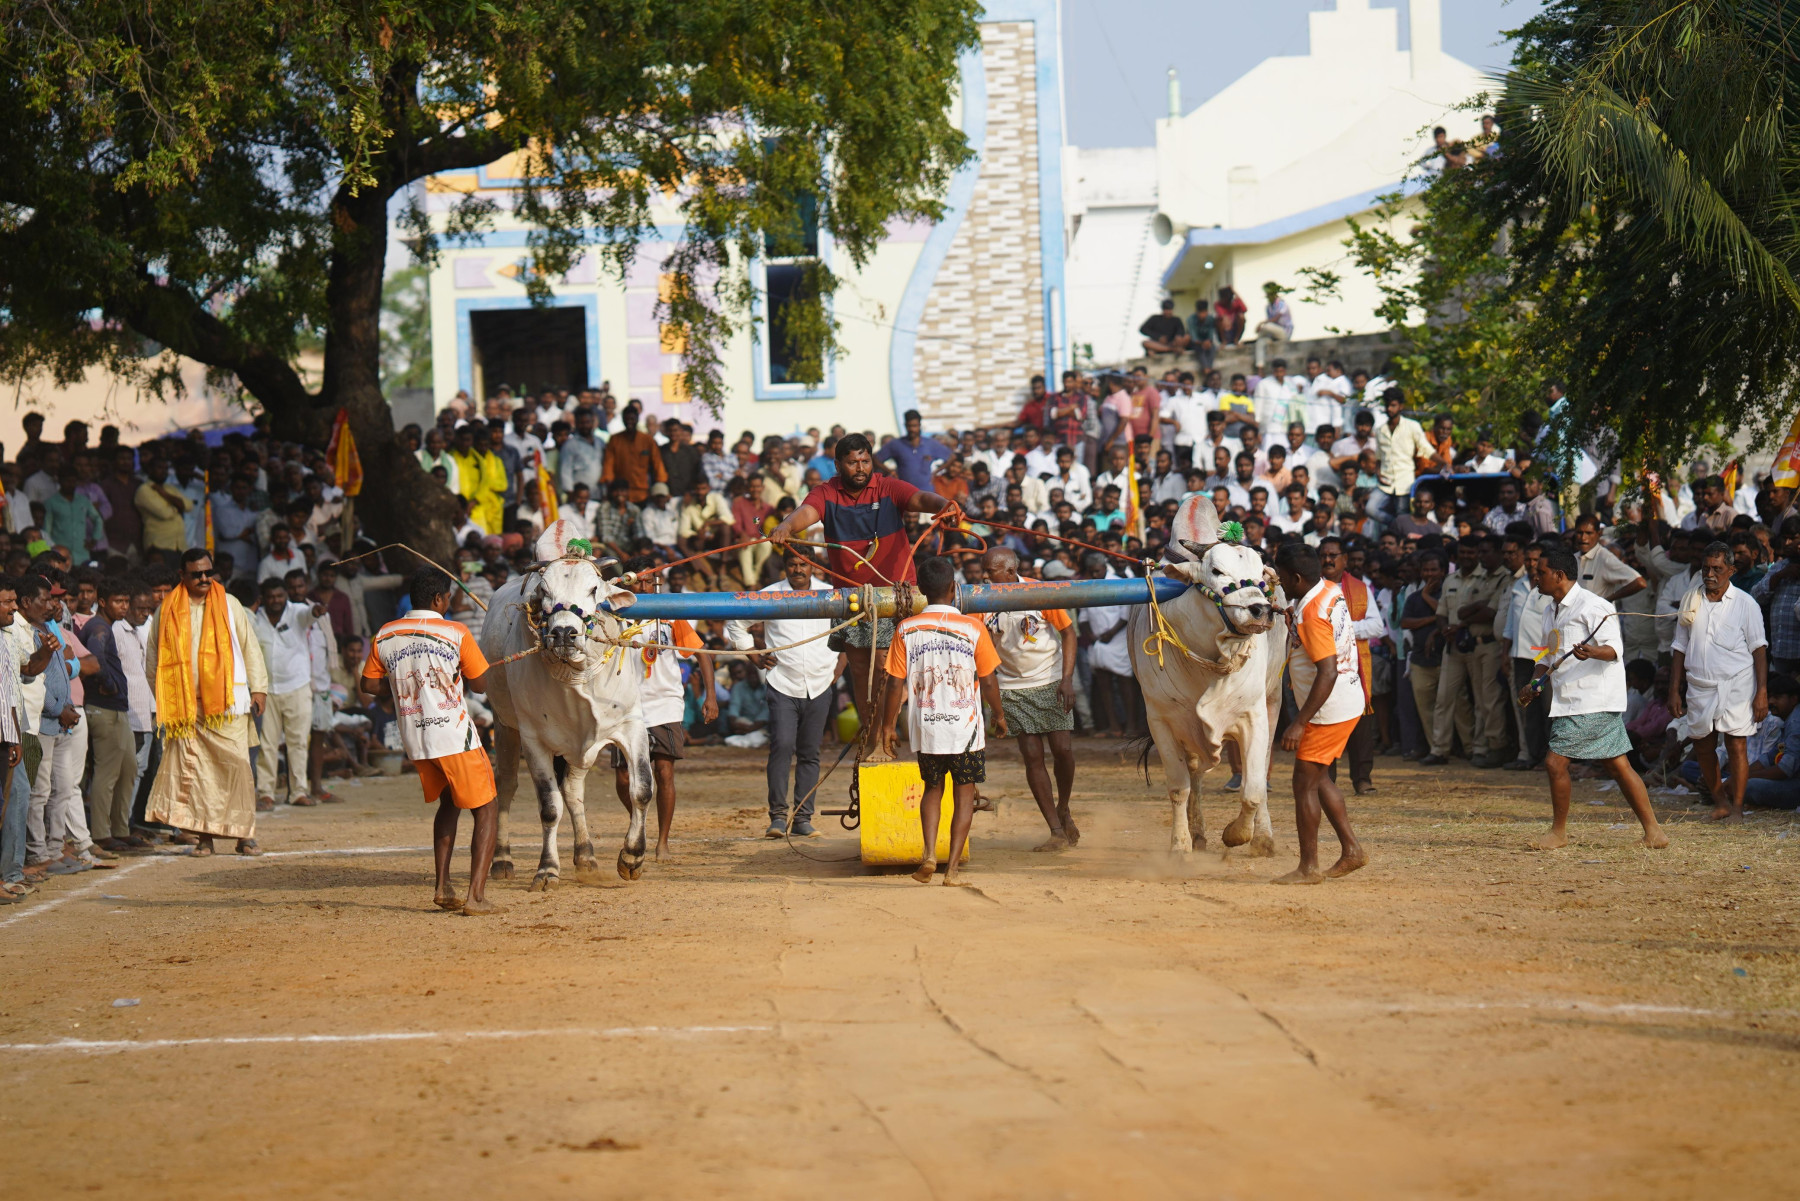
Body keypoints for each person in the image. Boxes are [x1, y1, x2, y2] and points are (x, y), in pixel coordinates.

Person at [768, 433, 955, 757]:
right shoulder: (826, 493)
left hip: (894, 595)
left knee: (883, 666)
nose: (860, 467)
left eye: (865, 461)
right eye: (853, 462)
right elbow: (805, 512)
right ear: (838, 464)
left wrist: (943, 505)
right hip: (852, 597)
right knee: (858, 670)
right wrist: (786, 526)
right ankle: (872, 736)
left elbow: (920, 498)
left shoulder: (887, 487)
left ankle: (885, 735)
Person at [360, 565, 500, 914]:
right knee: (487, 807)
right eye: (448, 597)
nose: (449, 602)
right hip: (453, 736)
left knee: (450, 802)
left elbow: (369, 685)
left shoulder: (385, 633)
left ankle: (442, 886)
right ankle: (476, 897)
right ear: (438, 599)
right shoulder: (455, 631)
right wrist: (473, 669)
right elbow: (481, 685)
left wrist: (402, 685)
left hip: (416, 737)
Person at [1522, 547, 1668, 850]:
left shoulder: (1594, 605)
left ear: (1559, 575)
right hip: (1572, 699)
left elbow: (1614, 649)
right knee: (1618, 765)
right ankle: (1654, 832)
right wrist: (1535, 682)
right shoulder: (1550, 609)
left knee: (1554, 763)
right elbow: (1546, 655)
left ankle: (1558, 833)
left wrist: (1592, 652)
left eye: (1541, 572)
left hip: (1590, 700)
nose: (1535, 577)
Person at [875, 555, 1006, 886]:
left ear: (920, 589)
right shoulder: (973, 627)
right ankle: (952, 870)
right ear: (954, 588)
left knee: (932, 789)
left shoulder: (906, 629)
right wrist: (999, 714)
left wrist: (887, 726)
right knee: (964, 797)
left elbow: (894, 683)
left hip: (928, 727)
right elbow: (989, 681)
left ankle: (930, 854)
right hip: (966, 729)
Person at [145, 549, 270, 857]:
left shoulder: (230, 604)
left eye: (207, 572)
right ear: (182, 575)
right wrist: (167, 698)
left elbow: (249, 647)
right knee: (198, 773)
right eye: (196, 574)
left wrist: (259, 689)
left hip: (228, 704)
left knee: (238, 767)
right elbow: (154, 658)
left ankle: (244, 835)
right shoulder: (167, 609)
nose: (204, 578)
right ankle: (204, 838)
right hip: (188, 709)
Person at [723, 548, 845, 838]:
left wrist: (838, 671)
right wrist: (754, 656)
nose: (797, 570)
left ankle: (803, 818)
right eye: (792, 565)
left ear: (812, 566)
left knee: (810, 753)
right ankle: (778, 817)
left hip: (820, 684)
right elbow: (734, 622)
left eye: (803, 564)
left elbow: (850, 631)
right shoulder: (770, 595)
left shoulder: (831, 595)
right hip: (782, 683)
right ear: (785, 567)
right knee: (782, 746)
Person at [1270, 541, 1367, 885]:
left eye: (1282, 577)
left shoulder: (1311, 613)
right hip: (1346, 698)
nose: (1279, 583)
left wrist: (1299, 722)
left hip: (1328, 709)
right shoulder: (1328, 589)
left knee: (1303, 784)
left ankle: (1308, 867)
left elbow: (1327, 671)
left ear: (1297, 578)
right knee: (1319, 778)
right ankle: (1351, 850)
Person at [615, 554, 716, 860]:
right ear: (626, 583)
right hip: (625, 704)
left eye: (650, 580)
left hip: (665, 702)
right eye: (638, 581)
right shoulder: (615, 614)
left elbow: (701, 654)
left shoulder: (670, 614)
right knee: (623, 777)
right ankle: (639, 821)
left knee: (664, 772)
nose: (645, 586)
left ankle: (662, 842)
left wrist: (710, 696)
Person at [980, 547, 1079, 850]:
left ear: (1010, 572)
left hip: (1050, 679)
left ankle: (1063, 807)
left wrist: (1066, 679)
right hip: (1011, 686)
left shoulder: (1039, 591)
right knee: (1032, 756)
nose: (984, 576)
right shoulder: (981, 600)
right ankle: (1055, 831)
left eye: (990, 571)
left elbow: (1069, 633)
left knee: (1063, 750)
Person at [1668, 541, 1769, 823]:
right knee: (1702, 745)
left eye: (1717, 568)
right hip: (1699, 684)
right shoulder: (1691, 600)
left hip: (1737, 684)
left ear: (1731, 570)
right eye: (1706, 568)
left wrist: (1762, 691)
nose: (1710, 574)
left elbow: (1759, 649)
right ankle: (1720, 803)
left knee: (1736, 745)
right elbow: (1679, 647)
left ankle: (1737, 808)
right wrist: (1674, 690)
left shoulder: (1746, 603)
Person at [1317, 537, 1385, 794]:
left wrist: (1342, 630)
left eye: (1333, 555)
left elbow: (1377, 626)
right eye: (1323, 555)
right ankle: (1326, 781)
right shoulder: (1311, 588)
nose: (1328, 560)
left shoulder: (1360, 588)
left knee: (1359, 723)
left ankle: (1362, 779)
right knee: (1325, 721)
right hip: (1321, 665)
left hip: (1355, 667)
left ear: (1344, 559)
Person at [251, 575, 321, 808]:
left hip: (297, 687)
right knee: (267, 744)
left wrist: (316, 611)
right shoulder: (256, 618)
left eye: (280, 596)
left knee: (298, 742)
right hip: (266, 691)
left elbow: (309, 615)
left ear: (286, 596)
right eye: (271, 596)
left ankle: (298, 792)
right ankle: (266, 793)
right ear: (263, 598)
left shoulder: (297, 611)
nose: (276, 600)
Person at [82, 578, 139, 851]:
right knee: (107, 773)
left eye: (126, 601)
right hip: (104, 709)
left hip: (116, 709)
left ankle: (120, 829)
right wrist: (108, 683)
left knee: (128, 768)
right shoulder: (99, 627)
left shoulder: (105, 626)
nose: (124, 607)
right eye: (118, 601)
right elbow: (96, 656)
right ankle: (102, 833)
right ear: (103, 602)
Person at [1741, 672, 1800, 809]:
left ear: (1793, 699)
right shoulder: (1789, 720)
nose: (1771, 702)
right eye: (1770, 697)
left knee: (1748, 786)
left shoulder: (1796, 723)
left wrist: (1744, 778)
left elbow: (1784, 770)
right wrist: (1741, 775)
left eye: (1777, 697)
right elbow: (1769, 757)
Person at [876, 410, 954, 492]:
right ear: (905, 425)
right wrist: (890, 471)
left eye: (914, 426)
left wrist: (935, 473)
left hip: (927, 492)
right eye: (909, 426)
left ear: (919, 425)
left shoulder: (930, 444)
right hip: (904, 493)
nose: (912, 429)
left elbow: (951, 457)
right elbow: (876, 458)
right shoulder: (896, 444)